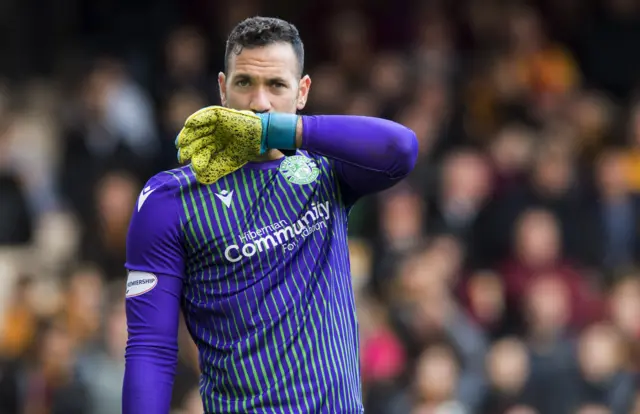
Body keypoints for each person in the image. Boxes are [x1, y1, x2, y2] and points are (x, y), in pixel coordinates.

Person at [122, 16, 418, 414]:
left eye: (277, 85)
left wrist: (282, 131)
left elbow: (402, 150)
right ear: (223, 89)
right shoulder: (169, 198)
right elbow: (150, 349)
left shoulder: (329, 169)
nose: (260, 104)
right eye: (245, 83)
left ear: (302, 92)